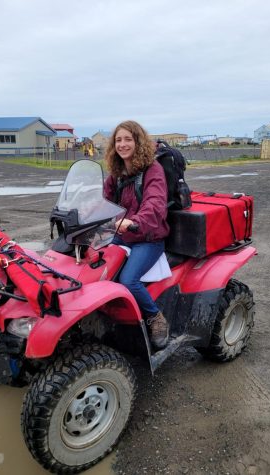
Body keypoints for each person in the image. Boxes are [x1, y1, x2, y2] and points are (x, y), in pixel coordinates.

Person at [104, 120, 170, 349]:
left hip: (147, 237)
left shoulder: (153, 170)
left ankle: (156, 318)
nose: (122, 144)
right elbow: (104, 201)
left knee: (128, 280)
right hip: (121, 233)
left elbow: (155, 204)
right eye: (118, 140)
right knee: (91, 265)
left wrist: (135, 222)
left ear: (138, 141)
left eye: (128, 139)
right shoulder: (117, 172)